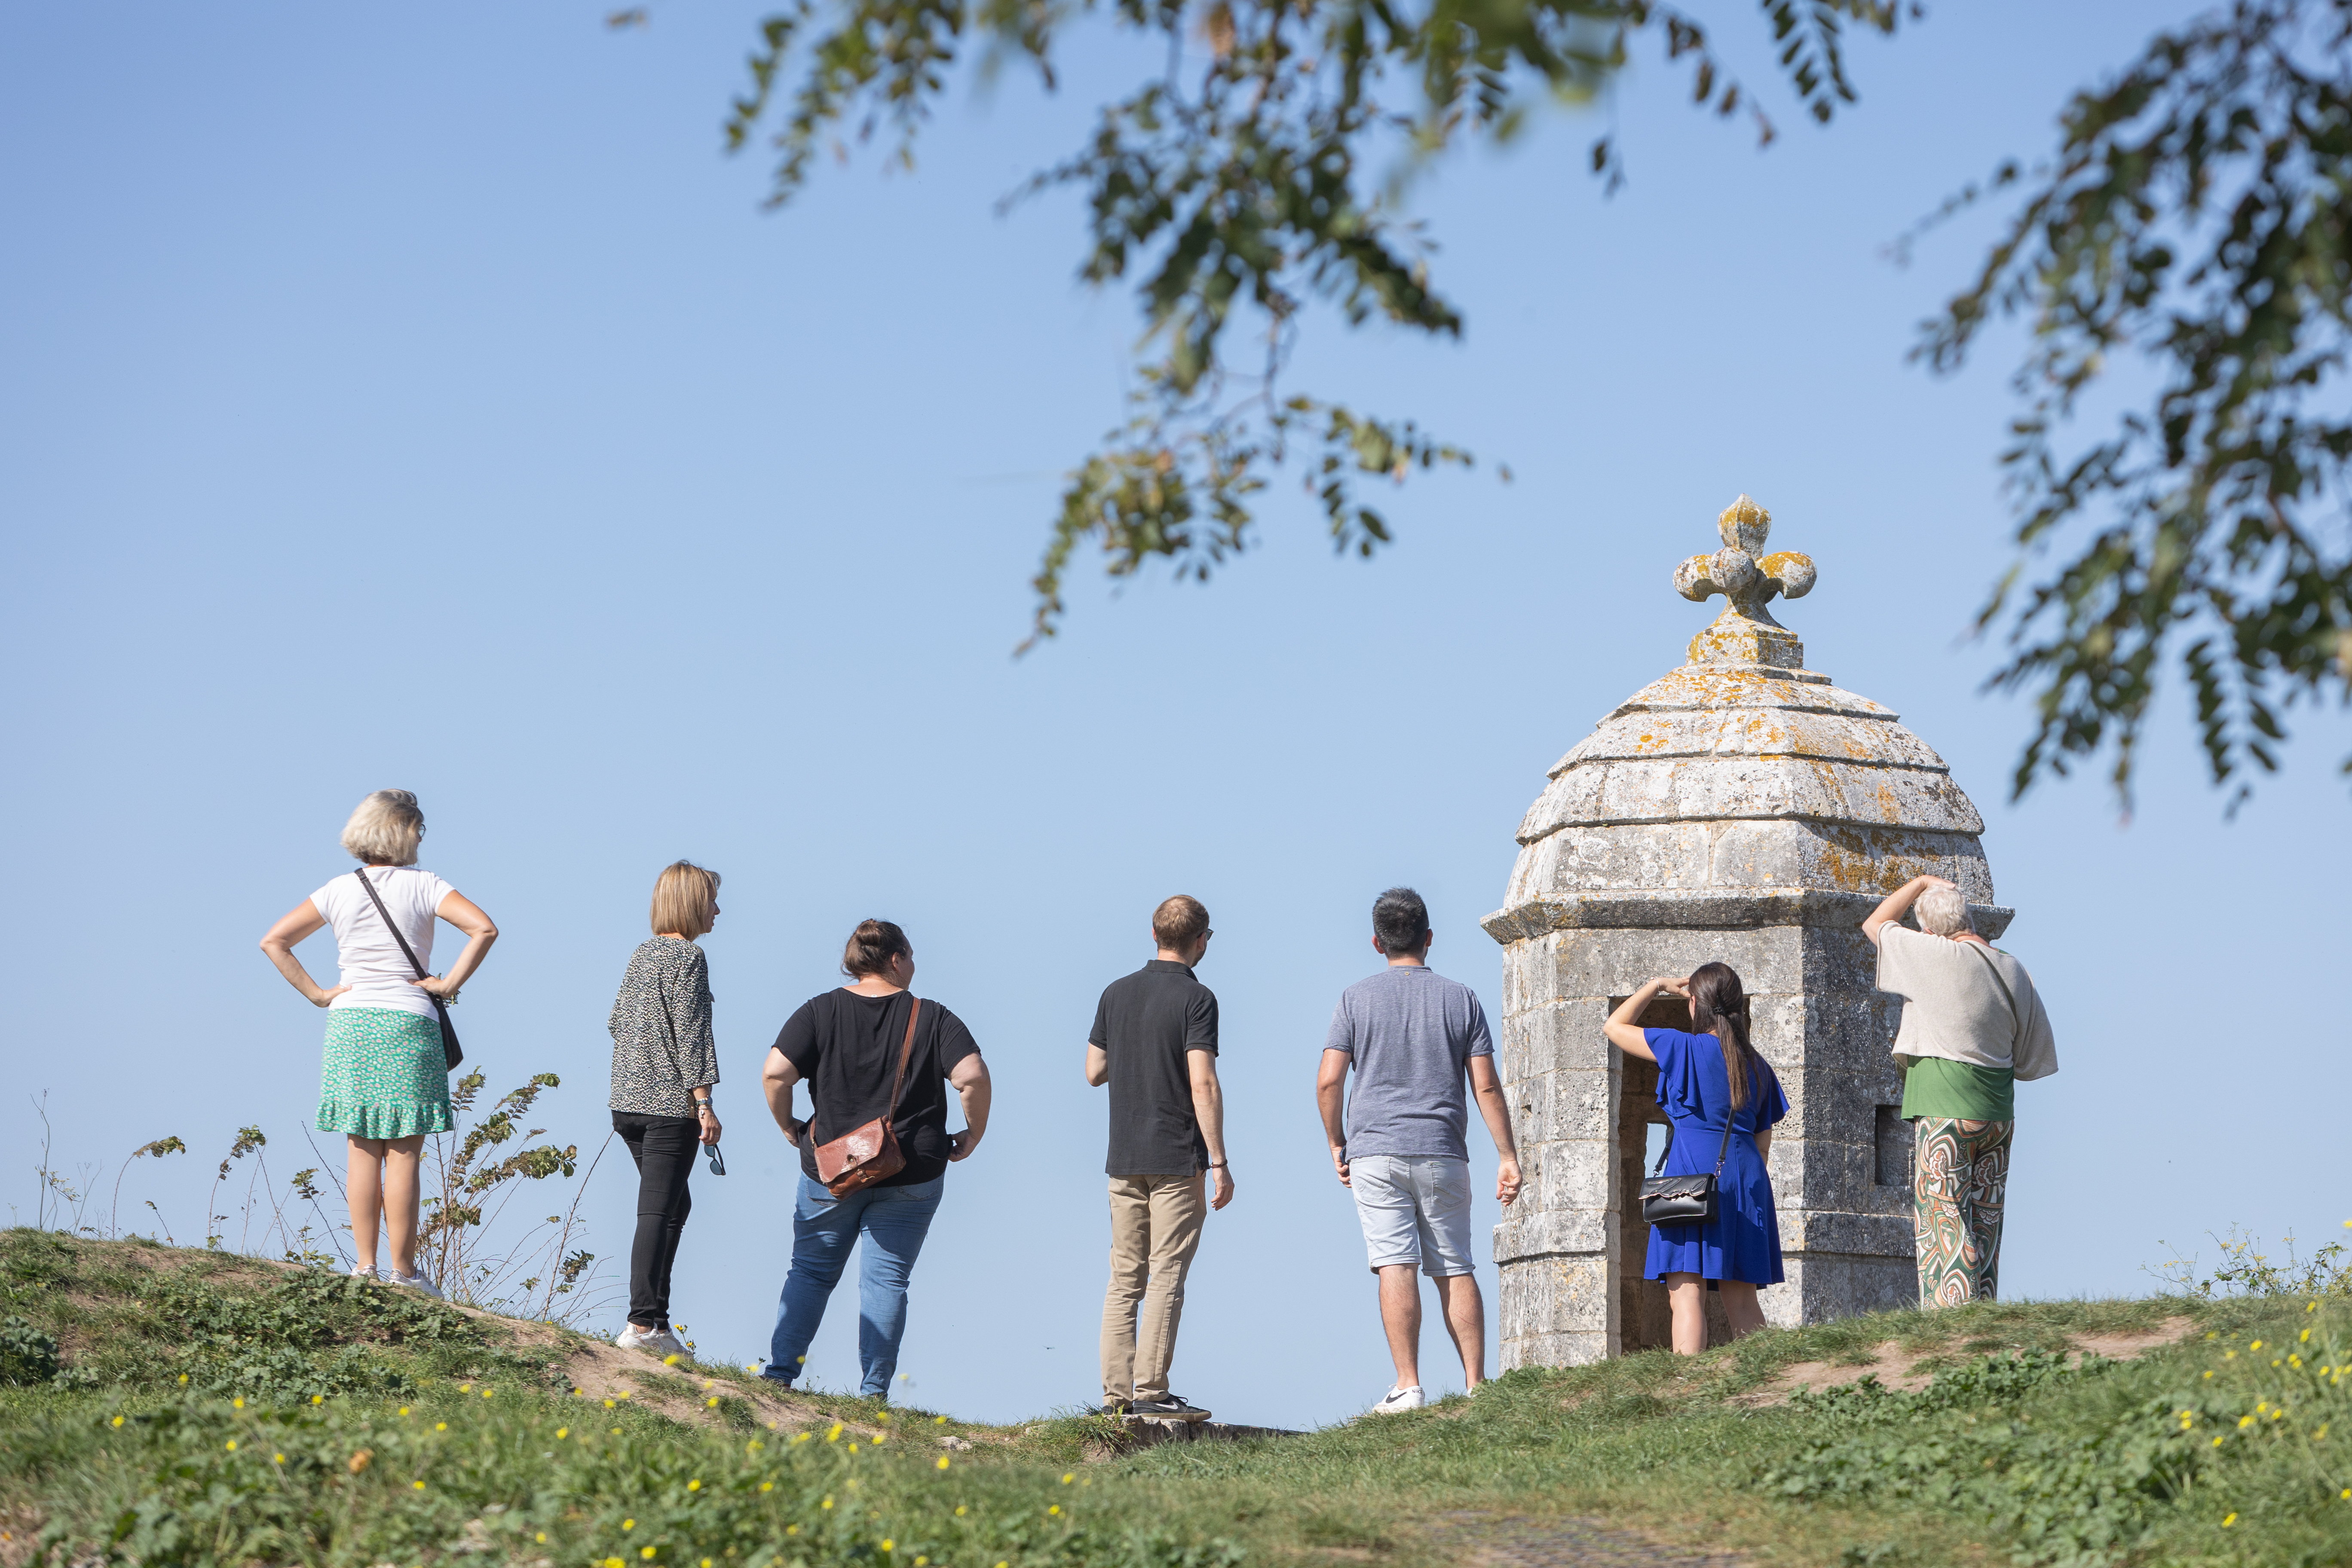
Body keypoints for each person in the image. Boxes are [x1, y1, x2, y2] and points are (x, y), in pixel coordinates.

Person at [258, 790, 498, 1298]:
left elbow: (274, 941)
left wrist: (320, 995)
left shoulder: (337, 890)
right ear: (405, 832)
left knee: (361, 1147)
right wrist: (448, 983)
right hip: (408, 1021)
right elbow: (484, 928)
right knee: (405, 1153)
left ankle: (363, 1268)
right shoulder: (427, 886)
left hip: (351, 1024)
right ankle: (404, 1273)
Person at [759, 919, 992, 1398]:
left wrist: (789, 1125)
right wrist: (973, 1133)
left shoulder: (819, 1011)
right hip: (911, 1170)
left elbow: (776, 1073)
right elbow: (972, 1077)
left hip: (832, 1168)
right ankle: (873, 1393)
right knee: (886, 1281)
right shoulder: (933, 1017)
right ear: (896, 959)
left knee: (811, 1271)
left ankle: (781, 1375)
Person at [1317, 888, 1520, 1413]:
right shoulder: (1462, 999)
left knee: (1394, 1264)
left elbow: (1329, 1082)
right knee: (1455, 1265)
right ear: (1429, 939)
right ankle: (1478, 1386)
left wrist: (1337, 1141)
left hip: (1375, 1151)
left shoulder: (1353, 999)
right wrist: (1507, 1155)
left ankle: (1408, 1385)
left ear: (1376, 942)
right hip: (1443, 1150)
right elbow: (1487, 1088)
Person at [1863, 874, 2058, 1308]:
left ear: (1929, 931)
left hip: (1943, 1105)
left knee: (1943, 1213)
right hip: (1998, 1114)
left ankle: (1952, 1319)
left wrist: (1918, 884)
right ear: (1968, 919)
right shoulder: (2012, 968)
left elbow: (1875, 924)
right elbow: (2030, 1056)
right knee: (1987, 1217)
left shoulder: (1934, 953)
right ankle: (1983, 1312)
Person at [1085, 894, 1232, 1421]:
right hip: (1175, 1154)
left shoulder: (1115, 993)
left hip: (1123, 1154)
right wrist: (1218, 1159)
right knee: (1166, 1271)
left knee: (1125, 1275)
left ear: (1154, 935)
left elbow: (1093, 1070)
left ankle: (1115, 1394)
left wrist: (1134, 1048)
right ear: (1201, 941)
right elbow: (1203, 1082)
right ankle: (1150, 1388)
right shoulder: (1199, 999)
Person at [1603, 963, 1787, 1354]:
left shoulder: (1682, 1047)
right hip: (1747, 1178)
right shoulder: (1758, 1065)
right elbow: (1763, 1144)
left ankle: (1688, 1389)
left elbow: (1614, 1027)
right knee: (1742, 1299)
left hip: (1694, 1174)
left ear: (1695, 1005)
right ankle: (1767, 1379)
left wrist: (1655, 986)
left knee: (1686, 1296)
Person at [606, 861, 725, 1358]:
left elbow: (615, 1021)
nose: (719, 910)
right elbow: (692, 1035)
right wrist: (705, 1103)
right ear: (694, 904)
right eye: (713, 900)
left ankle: (656, 1320)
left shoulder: (642, 955)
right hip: (669, 1106)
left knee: (676, 1204)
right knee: (658, 1210)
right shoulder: (689, 958)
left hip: (626, 1103)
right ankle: (641, 1324)